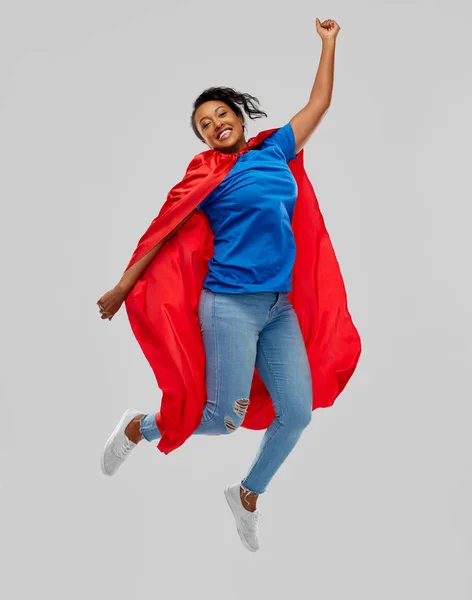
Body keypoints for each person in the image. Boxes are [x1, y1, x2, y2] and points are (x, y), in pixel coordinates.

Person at [98, 19, 349, 552]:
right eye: (204, 124)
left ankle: (247, 494)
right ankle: (140, 427)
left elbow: (319, 102)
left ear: (239, 115)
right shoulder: (207, 174)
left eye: (221, 115)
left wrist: (328, 43)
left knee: (297, 414)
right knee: (221, 419)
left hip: (279, 309)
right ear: (204, 138)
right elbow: (162, 229)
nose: (215, 125)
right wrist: (123, 288)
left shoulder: (275, 151)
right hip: (229, 306)